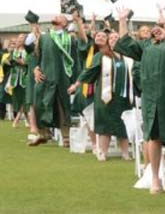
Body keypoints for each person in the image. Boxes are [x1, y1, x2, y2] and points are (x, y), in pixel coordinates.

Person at [116, 12, 165, 194]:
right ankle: (155, 178)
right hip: (151, 98)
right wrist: (122, 21)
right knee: (153, 137)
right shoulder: (148, 45)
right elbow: (126, 45)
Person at [72, 27, 133, 161]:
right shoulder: (101, 56)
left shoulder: (128, 58)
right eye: (111, 38)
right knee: (105, 125)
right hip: (105, 97)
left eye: (117, 38)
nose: (114, 40)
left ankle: (125, 153)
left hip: (124, 97)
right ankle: (103, 152)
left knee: (123, 126)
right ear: (108, 42)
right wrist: (77, 84)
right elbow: (89, 71)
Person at [30, 14, 83, 147]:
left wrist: (75, 81)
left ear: (65, 23)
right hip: (45, 76)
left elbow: (76, 60)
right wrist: (35, 69)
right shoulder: (44, 38)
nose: (55, 17)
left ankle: (66, 137)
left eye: (60, 17)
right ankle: (43, 134)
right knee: (40, 103)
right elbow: (37, 56)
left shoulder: (70, 39)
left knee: (62, 106)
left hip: (63, 77)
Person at [6, 35, 30, 128]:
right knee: (17, 100)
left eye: (21, 39)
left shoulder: (27, 51)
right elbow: (10, 62)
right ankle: (28, 120)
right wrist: (9, 61)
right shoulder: (13, 51)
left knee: (25, 99)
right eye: (18, 39)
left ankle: (17, 119)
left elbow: (29, 62)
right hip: (15, 78)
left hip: (25, 77)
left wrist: (22, 62)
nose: (19, 41)